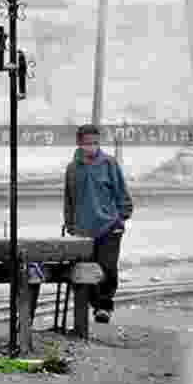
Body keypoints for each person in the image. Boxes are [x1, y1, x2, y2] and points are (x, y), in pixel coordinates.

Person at [63, 124, 134, 324]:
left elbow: (122, 194)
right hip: (83, 229)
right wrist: (70, 223)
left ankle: (103, 307)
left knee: (107, 267)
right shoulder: (72, 169)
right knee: (86, 269)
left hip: (109, 227)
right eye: (87, 143)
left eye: (95, 143)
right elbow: (69, 199)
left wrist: (121, 218)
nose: (91, 147)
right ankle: (93, 305)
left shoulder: (109, 164)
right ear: (79, 143)